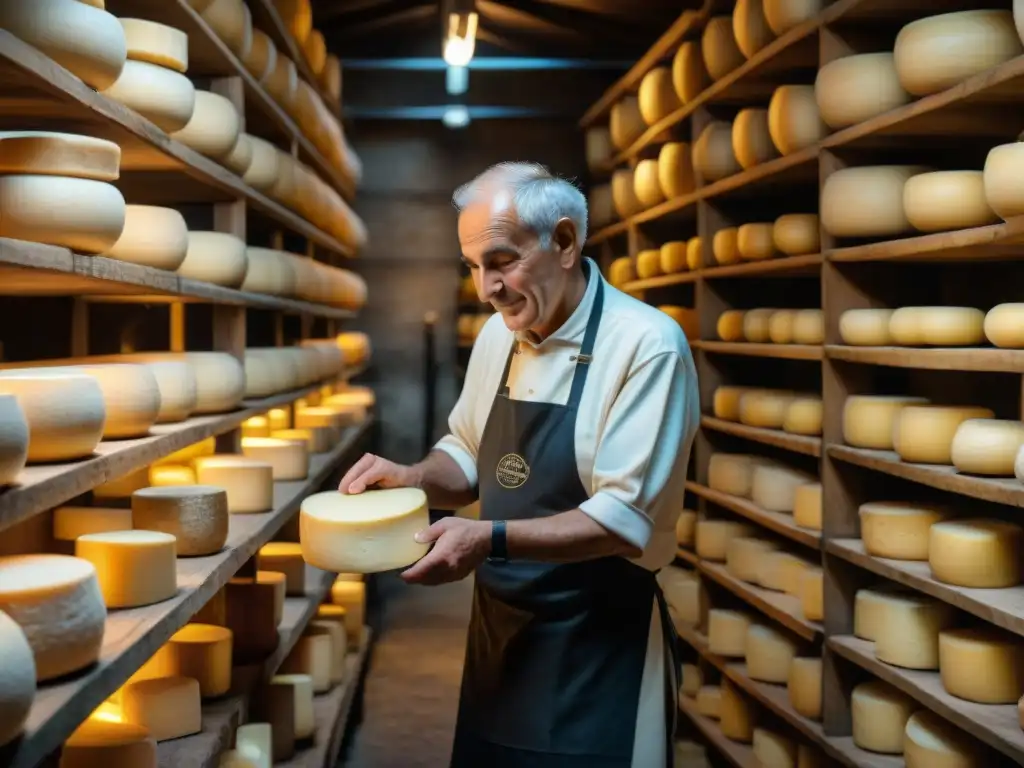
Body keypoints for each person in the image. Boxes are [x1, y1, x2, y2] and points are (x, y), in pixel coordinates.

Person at [337, 161, 700, 767]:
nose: (485, 289)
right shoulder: (498, 336)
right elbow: (465, 452)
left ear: (563, 242)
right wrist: (416, 479)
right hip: (500, 641)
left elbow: (620, 521)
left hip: (598, 647)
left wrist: (487, 539)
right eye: (473, 268)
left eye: (501, 261)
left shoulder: (646, 347)